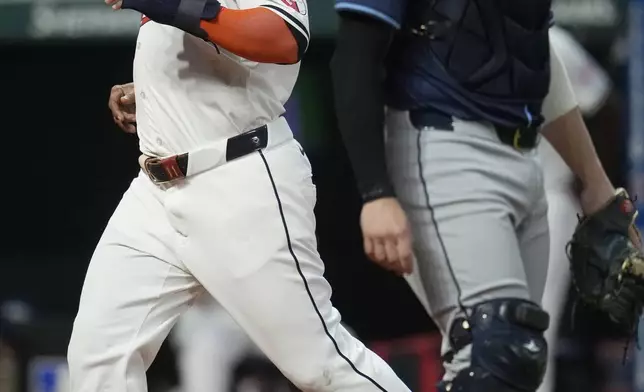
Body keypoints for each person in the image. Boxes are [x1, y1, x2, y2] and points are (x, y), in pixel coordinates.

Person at [66, 0, 412, 390]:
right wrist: (151, 90)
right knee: (99, 356)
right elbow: (202, 48)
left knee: (318, 364)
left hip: (238, 177)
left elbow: (282, 38)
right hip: (154, 191)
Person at [329, 2, 631, 391]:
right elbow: (355, 53)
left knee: (515, 367)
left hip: (526, 158)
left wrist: (596, 184)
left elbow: (533, 51)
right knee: (492, 356)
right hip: (441, 143)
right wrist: (375, 192)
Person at [537, 25, 613, 392]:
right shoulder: (454, 42)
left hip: (549, 198)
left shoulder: (553, 42)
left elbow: (602, 105)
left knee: (536, 326)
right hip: (480, 202)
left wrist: (589, 181)